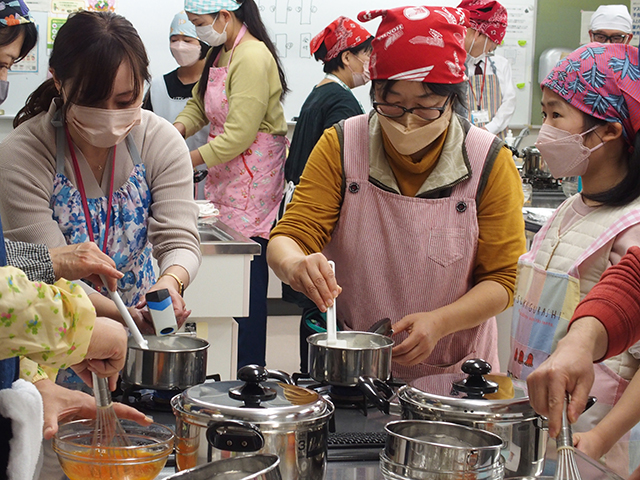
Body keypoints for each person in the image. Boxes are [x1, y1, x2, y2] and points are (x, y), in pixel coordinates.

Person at [268, 5, 526, 383]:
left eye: (424, 108)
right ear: (373, 90)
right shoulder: (342, 145)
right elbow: (290, 236)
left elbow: (503, 280)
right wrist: (294, 264)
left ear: (452, 100)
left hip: (455, 376)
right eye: (391, 105)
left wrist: (441, 322)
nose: (406, 121)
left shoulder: (488, 161)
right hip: (353, 371)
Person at [0, 6, 149, 479]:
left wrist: (35, 381)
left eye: (5, 67)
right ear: (59, 84)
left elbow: (8, 268)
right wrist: (82, 326)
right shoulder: (26, 152)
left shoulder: (152, 139)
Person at [0, 11, 201, 341]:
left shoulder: (160, 141)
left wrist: (169, 284)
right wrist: (126, 317)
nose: (110, 116)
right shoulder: (22, 154)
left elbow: (179, 238)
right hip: (56, 337)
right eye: (93, 101)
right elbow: (48, 267)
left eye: (125, 101)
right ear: (58, 83)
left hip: (142, 332)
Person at [508, 42, 640, 477]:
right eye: (544, 114)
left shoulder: (631, 226)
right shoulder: (571, 207)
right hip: (534, 431)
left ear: (608, 131)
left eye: (556, 115)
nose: (545, 129)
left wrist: (598, 440)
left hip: (589, 444)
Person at [175, 0, 289, 368]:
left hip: (253, 184)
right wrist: (174, 133)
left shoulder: (252, 57)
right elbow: (198, 107)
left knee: (247, 285)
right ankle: (222, 370)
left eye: (200, 23)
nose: (197, 31)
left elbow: (239, 136)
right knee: (225, 285)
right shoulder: (218, 54)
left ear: (225, 16)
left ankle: (248, 374)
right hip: (226, 181)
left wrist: (182, 159)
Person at [282, 16, 373, 372]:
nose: (370, 63)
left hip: (303, 214)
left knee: (314, 306)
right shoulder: (342, 104)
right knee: (323, 308)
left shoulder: (320, 93)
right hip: (324, 223)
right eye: (366, 54)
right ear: (346, 57)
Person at [143, 11, 210, 153]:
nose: (180, 46)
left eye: (187, 40)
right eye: (174, 40)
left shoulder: (215, 84)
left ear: (204, 43)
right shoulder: (157, 87)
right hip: (167, 167)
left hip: (213, 170)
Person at [459, 0, 516, 139]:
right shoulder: (456, 65)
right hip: (464, 134)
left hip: (494, 136)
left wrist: (490, 128)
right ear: (478, 34)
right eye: (491, 44)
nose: (490, 50)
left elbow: (510, 101)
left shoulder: (500, 64)